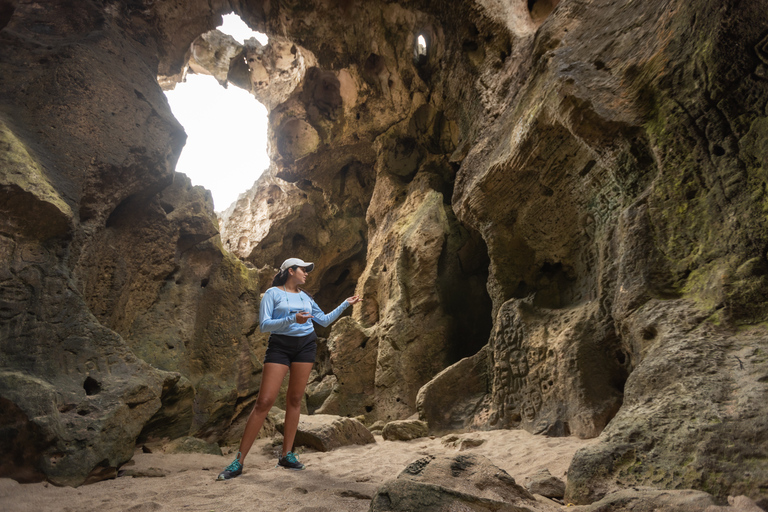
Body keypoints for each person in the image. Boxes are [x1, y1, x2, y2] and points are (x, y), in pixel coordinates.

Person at [217, 257, 361, 480]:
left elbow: (322, 320)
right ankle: (238, 460)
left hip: (305, 346)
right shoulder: (272, 294)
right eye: (303, 270)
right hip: (280, 347)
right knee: (264, 402)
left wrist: (345, 304)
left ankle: (286, 455)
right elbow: (264, 325)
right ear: (291, 271)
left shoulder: (306, 297)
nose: (306, 274)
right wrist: (292, 318)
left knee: (295, 400)